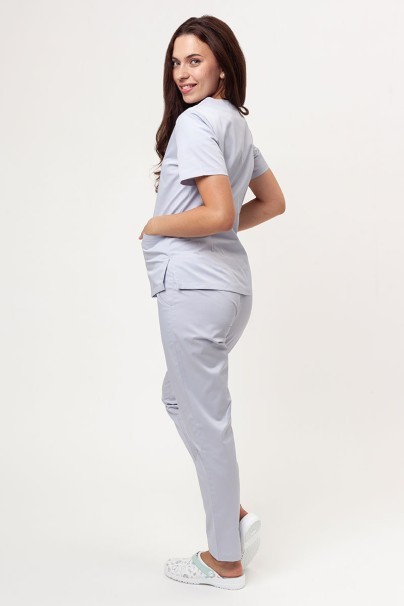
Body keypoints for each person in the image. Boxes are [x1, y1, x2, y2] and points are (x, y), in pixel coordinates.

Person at [139, 15, 285, 590]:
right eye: (176, 62)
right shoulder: (235, 125)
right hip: (229, 290)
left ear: (222, 65)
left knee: (208, 418)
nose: (182, 73)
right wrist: (217, 228)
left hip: (194, 289)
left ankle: (225, 561)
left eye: (195, 60)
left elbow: (220, 212)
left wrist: (156, 225)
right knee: (180, 399)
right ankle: (234, 516)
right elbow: (271, 202)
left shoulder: (197, 122)